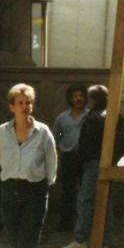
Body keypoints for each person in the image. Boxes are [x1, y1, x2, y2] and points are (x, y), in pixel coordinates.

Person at [0, 83, 57, 248]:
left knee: (27, 245)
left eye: (28, 102)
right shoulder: (3, 132)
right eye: (20, 102)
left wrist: (43, 185)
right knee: (15, 244)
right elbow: (2, 156)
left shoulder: (43, 132)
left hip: (35, 191)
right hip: (10, 189)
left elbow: (52, 162)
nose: (25, 106)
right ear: (12, 106)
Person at [62, 84, 124, 248]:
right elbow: (121, 143)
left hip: (94, 163)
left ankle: (81, 238)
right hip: (102, 162)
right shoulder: (112, 115)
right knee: (106, 202)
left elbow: (90, 142)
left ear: (95, 99)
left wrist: (92, 158)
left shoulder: (97, 116)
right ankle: (104, 241)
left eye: (90, 98)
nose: (86, 101)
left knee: (85, 200)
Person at [51, 84, 88, 231]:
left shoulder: (90, 116)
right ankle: (65, 223)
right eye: (75, 96)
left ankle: (84, 223)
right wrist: (61, 149)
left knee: (86, 191)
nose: (78, 99)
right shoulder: (62, 118)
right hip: (69, 158)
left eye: (80, 95)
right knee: (68, 191)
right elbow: (55, 136)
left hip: (86, 158)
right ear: (70, 99)